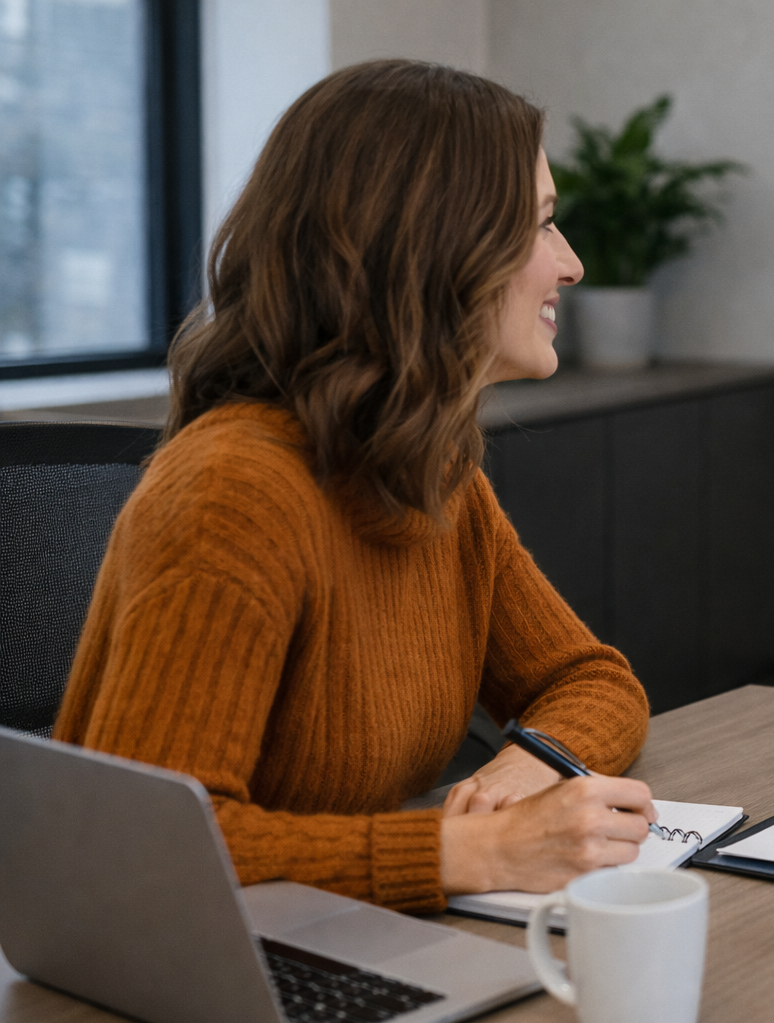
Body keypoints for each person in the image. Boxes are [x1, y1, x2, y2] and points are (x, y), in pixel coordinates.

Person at [54, 60, 656, 915]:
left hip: (333, 929)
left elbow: (597, 680)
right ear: (434, 248)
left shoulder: (428, 471)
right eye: (541, 227)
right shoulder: (234, 493)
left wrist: (534, 764)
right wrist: (470, 850)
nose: (572, 264)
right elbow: (145, 844)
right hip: (189, 961)